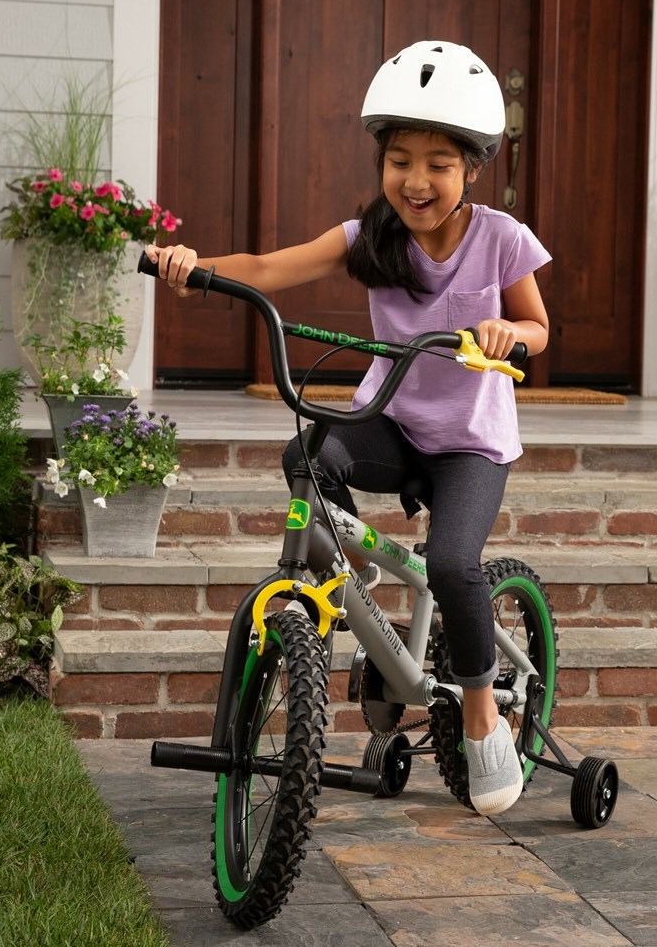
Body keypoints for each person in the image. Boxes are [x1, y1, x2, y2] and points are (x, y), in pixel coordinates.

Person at [146, 41, 550, 816]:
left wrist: (509, 333)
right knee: (308, 453)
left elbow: (539, 327)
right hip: (390, 423)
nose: (416, 181)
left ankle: (479, 712)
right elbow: (271, 268)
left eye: (438, 164)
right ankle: (355, 580)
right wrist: (198, 273)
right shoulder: (371, 236)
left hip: (470, 442)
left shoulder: (501, 238)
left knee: (454, 565)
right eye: (399, 161)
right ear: (381, 163)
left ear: (473, 169)